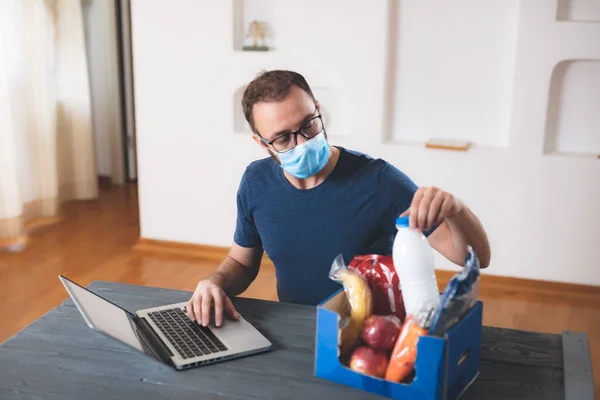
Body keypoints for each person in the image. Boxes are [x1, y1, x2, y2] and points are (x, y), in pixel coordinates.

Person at [186, 70, 491, 327]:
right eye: (283, 138)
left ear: (318, 109)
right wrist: (215, 282)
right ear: (262, 144)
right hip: (300, 331)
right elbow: (241, 261)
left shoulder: (377, 181)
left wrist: (457, 209)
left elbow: (471, 257)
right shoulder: (256, 182)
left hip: (369, 338)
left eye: (309, 124)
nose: (303, 141)